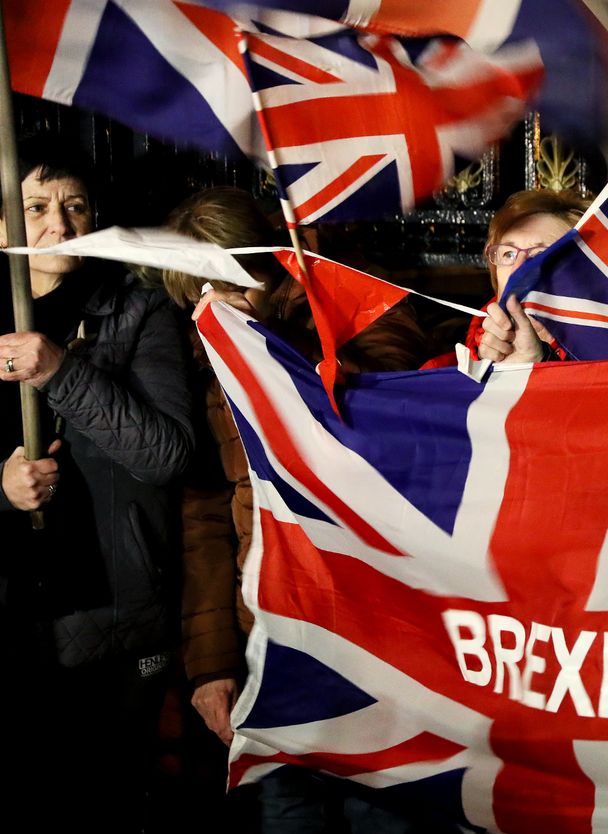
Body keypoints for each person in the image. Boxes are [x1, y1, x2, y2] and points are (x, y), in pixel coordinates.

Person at [157, 186, 438, 833]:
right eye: (198, 292)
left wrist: (293, 332)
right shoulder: (204, 372)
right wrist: (212, 666)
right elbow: (205, 523)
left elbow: (385, 406)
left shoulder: (351, 315)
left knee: (385, 809)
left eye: (230, 284)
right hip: (270, 641)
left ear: (273, 269)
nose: (215, 307)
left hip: (375, 635)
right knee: (288, 812)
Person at [0, 139, 193, 830]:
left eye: (75, 206)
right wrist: (3, 488)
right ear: (3, 226)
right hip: (17, 616)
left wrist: (62, 373)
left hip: (110, 617)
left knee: (103, 802)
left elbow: (168, 454)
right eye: (37, 207)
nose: (59, 223)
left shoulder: (138, 311)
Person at [422, 188, 590, 368]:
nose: (517, 269)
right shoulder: (435, 377)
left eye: (540, 255)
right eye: (508, 254)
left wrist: (542, 364)